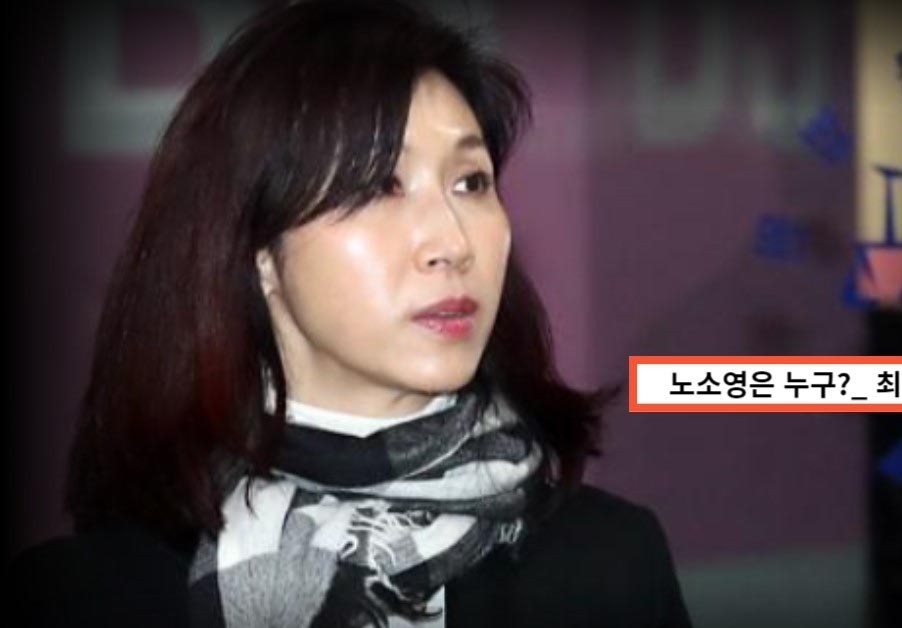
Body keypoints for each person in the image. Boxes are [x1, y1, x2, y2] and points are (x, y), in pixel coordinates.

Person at [7, 1, 693, 626]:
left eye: (470, 182)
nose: (452, 242)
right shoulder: (84, 597)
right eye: (378, 187)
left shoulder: (608, 566)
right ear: (259, 250)